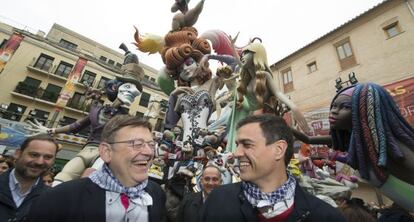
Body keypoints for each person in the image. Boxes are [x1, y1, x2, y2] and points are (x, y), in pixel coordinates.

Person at [27, 44, 144, 185]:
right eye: (126, 87)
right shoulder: (97, 110)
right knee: (63, 176)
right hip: (87, 149)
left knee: (92, 178)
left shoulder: (126, 119)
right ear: (114, 88)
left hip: (108, 153)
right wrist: (51, 130)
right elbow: (76, 125)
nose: (131, 92)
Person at [293, 83, 414, 211]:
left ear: (365, 110)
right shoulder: (355, 140)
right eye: (334, 106)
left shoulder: (392, 148)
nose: (334, 111)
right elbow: (308, 139)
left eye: (345, 107)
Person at [201, 114, 345, 222]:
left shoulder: (326, 216)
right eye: (237, 144)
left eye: (247, 144)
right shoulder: (217, 200)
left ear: (278, 149)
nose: (237, 153)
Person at [28, 115, 167, 222]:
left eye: (150, 144)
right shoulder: (58, 198)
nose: (148, 152)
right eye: (137, 144)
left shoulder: (157, 195)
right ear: (106, 152)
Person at [0, 135, 59, 222]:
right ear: (18, 154)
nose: (39, 162)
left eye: (48, 157)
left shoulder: (53, 199)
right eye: (34, 155)